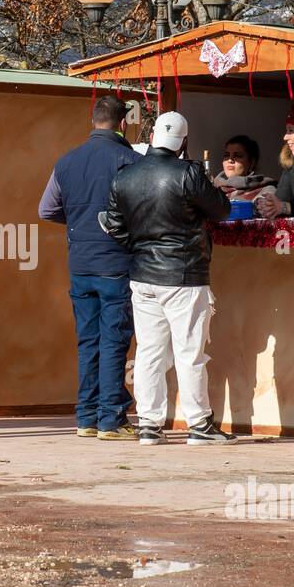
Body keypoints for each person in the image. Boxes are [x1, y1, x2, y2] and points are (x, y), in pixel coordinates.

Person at [102, 111, 235, 446]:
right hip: (184, 274)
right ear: (183, 142)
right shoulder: (189, 173)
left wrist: (141, 246)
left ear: (152, 138)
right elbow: (221, 209)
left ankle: (149, 424)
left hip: (142, 275)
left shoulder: (125, 176)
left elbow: (115, 226)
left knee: (149, 351)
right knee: (189, 351)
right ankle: (200, 425)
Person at [37, 95, 142, 441]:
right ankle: (111, 420)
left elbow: (46, 210)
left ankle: (86, 417)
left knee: (88, 341)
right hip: (116, 262)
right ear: (122, 122)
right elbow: (140, 213)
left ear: (92, 120)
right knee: (114, 340)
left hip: (80, 262)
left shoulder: (66, 161)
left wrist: (79, 221)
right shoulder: (129, 161)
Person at [213, 134, 278, 205]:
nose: (230, 160)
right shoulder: (211, 190)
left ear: (252, 163)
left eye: (238, 156)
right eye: (226, 155)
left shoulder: (267, 191)